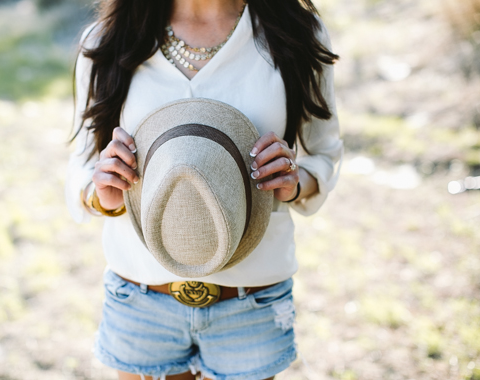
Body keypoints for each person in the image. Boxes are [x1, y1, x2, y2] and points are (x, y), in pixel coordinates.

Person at [66, 0, 342, 379]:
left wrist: (294, 183)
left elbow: (323, 154)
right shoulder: (109, 39)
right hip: (142, 299)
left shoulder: (295, 33)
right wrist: (104, 193)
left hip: (251, 301)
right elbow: (82, 167)